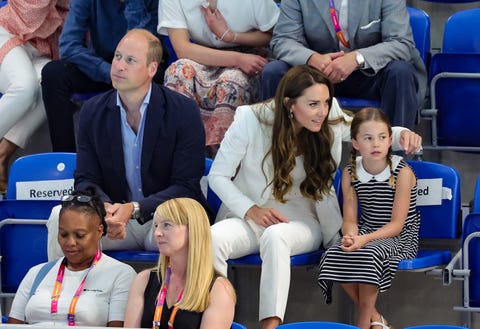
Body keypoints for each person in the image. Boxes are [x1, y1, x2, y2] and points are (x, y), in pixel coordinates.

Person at [209, 65, 422, 329]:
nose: (322, 111)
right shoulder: (249, 119)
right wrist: (251, 209)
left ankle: (270, 326)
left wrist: (402, 135)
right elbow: (217, 176)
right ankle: (211, 320)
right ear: (289, 104)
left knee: (277, 237)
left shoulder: (328, 117)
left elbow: (363, 130)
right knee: (212, 237)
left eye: (325, 102)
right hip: (252, 216)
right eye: (312, 104)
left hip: (304, 219)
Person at [46, 28, 209, 261]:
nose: (119, 66)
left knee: (187, 228)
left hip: (162, 217)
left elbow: (187, 186)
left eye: (130, 60)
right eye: (117, 56)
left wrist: (133, 208)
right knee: (57, 216)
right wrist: (105, 209)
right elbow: (85, 178)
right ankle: (61, 294)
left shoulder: (183, 111)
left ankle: (183, 297)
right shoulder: (93, 112)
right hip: (113, 219)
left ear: (152, 69)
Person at [317, 107, 420, 329]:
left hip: (400, 236)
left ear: (390, 140)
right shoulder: (350, 172)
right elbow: (351, 219)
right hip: (367, 230)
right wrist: (351, 236)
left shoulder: (402, 172)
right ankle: (377, 319)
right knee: (335, 252)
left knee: (369, 252)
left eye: (382, 137)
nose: (376, 144)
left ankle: (363, 322)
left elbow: (397, 225)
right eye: (368, 138)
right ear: (355, 143)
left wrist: (363, 240)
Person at [261, 0, 427, 130]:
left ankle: (396, 160)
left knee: (401, 72)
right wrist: (312, 58)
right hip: (317, 74)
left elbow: (401, 42)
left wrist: (357, 58)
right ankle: (278, 154)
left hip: (370, 73)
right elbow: (283, 40)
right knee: (274, 71)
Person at [41, 0, 169, 152]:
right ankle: (64, 160)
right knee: (54, 73)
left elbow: (149, 48)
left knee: (159, 73)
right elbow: (68, 46)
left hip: (138, 67)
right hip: (101, 66)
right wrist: (109, 71)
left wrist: (134, 4)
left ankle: (150, 156)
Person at [158, 0, 280, 156]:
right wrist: (236, 59)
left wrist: (231, 36)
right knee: (178, 71)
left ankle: (223, 158)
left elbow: (275, 34)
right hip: (202, 55)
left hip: (249, 55)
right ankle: (177, 149)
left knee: (231, 81)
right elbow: (182, 48)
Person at [7, 187, 136, 326]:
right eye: (63, 234)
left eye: (80, 235)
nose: (70, 243)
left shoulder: (121, 275)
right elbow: (13, 326)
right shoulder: (36, 273)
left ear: (99, 231)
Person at [124, 197, 236, 328]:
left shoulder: (219, 289)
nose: (157, 233)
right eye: (156, 226)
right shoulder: (143, 280)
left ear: (192, 230)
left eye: (167, 225)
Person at [0, 0, 69, 193]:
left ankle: (2, 155)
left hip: (42, 47)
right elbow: (31, 11)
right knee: (25, 87)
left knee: (51, 86)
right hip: (6, 31)